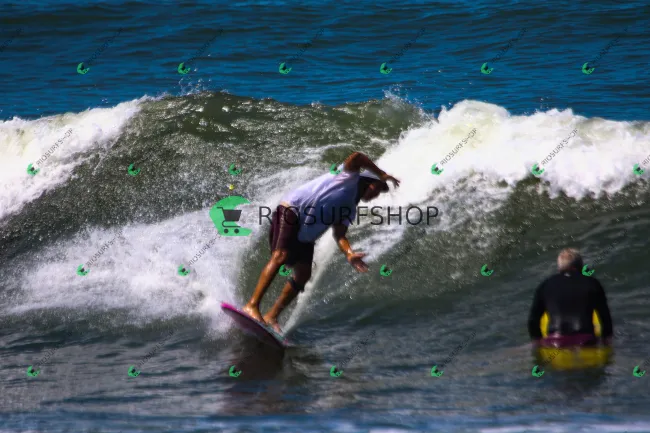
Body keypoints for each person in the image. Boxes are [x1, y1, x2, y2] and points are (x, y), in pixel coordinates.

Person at [243, 152, 400, 333]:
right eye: (378, 189)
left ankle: (272, 316)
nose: (377, 195)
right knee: (281, 255)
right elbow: (357, 157)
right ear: (370, 182)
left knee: (303, 274)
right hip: (293, 210)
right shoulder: (348, 176)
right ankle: (252, 305)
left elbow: (340, 235)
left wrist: (349, 253)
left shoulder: (350, 208)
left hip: (305, 236)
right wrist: (382, 173)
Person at [527, 248, 613, 346]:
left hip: (555, 342)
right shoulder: (592, 283)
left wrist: (537, 340)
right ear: (580, 266)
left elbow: (533, 319)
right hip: (585, 341)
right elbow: (605, 316)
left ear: (559, 267)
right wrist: (606, 339)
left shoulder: (545, 285)